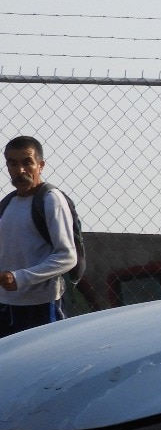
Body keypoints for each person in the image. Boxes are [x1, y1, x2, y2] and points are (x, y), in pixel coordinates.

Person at [0, 135, 78, 337]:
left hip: (41, 306)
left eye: (27, 163)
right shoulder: (7, 205)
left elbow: (67, 256)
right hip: (6, 306)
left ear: (40, 165)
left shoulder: (50, 200)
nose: (20, 170)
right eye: (12, 163)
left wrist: (20, 278)